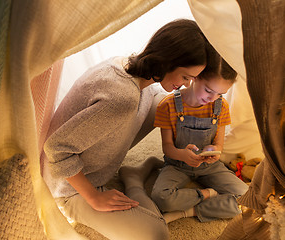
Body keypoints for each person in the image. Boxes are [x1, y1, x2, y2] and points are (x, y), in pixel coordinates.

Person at [41, 19, 215, 240]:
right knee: (156, 234)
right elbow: (56, 149)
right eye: (185, 77)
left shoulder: (127, 64)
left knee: (163, 105)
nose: (187, 84)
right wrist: (94, 197)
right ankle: (133, 180)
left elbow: (165, 103)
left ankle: (132, 175)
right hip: (69, 188)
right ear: (167, 61)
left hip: (92, 157)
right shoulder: (121, 98)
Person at [149, 54, 249, 223]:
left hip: (209, 167)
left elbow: (218, 143)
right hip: (177, 165)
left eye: (220, 93)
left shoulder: (221, 106)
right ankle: (206, 194)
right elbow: (167, 146)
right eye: (209, 90)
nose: (212, 98)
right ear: (195, 77)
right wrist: (182, 155)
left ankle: (189, 211)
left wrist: (214, 153)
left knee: (247, 198)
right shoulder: (167, 105)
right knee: (161, 198)